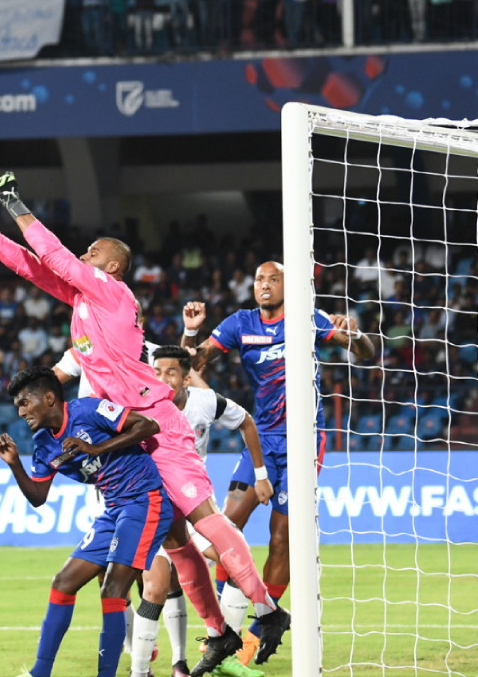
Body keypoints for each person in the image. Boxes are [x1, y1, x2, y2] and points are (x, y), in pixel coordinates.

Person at [0, 173, 290, 672]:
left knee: (204, 518)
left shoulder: (111, 292)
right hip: (125, 427)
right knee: (176, 541)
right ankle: (218, 631)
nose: (83, 254)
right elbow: (34, 268)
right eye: (85, 251)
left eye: (92, 251)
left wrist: (13, 203)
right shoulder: (84, 302)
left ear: (110, 265)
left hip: (154, 418)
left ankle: (267, 609)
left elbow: (54, 256)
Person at [181, 261, 375, 667]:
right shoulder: (240, 323)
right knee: (225, 526)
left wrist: (355, 332)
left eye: (274, 279)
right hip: (262, 439)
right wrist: (193, 331)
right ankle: (238, 624)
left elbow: (366, 352)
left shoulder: (307, 317)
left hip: (304, 439)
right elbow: (189, 366)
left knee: (282, 538)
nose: (264, 285)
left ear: (290, 284)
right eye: (259, 280)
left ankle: (250, 639)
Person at [0, 367, 172, 677]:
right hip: (113, 510)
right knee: (63, 583)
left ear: (49, 398)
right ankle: (40, 672)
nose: (20, 411)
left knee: (112, 589)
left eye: (25, 402)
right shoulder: (43, 443)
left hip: (144, 500)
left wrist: (96, 447)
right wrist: (14, 464)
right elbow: (38, 496)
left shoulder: (88, 409)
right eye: (18, 405)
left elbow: (148, 425)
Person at [144, 345, 269, 677]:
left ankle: (222, 647)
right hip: (155, 505)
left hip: (195, 503)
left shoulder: (205, 401)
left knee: (234, 556)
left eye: (170, 373)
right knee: (157, 583)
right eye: (156, 372)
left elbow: (246, 420)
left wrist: (261, 475)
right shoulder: (141, 404)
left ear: (187, 379)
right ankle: (171, 662)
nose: (162, 379)